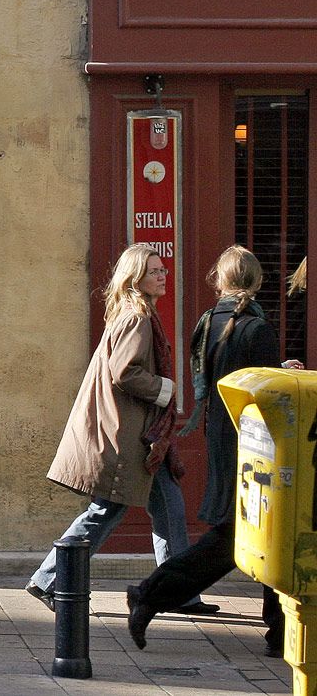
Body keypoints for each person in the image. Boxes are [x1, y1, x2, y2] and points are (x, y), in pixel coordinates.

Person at [28, 243, 210, 611]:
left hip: (140, 435)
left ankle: (175, 591)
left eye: (163, 269)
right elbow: (124, 372)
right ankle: (48, 579)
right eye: (154, 271)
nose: (163, 276)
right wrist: (166, 390)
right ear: (136, 278)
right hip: (125, 437)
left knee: (170, 507)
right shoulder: (136, 317)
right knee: (106, 511)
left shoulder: (135, 313)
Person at [128, 245, 290, 652]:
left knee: (267, 532)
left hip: (222, 440)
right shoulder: (256, 328)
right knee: (238, 539)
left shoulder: (209, 321)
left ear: (221, 279)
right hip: (257, 448)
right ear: (256, 281)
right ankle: (150, 594)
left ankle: (279, 629)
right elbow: (265, 392)